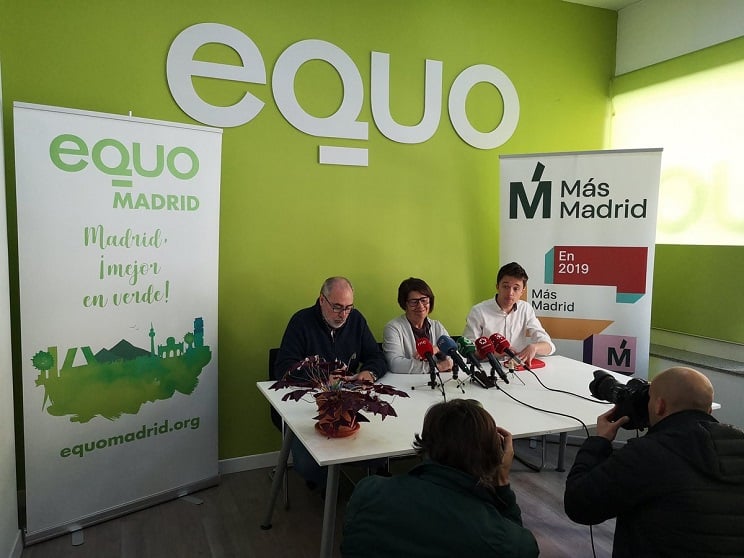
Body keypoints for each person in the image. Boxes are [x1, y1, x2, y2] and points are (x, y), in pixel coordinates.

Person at [564, 366, 744, 557]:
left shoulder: (647, 453)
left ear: (659, 406)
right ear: (709, 410)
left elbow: (579, 504)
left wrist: (599, 443)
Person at [341, 398, 539, 557]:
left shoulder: (367, 492)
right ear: (495, 454)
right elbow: (523, 550)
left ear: (426, 444)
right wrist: (501, 482)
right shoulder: (504, 539)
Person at [274, 276, 387, 489]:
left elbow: (377, 356)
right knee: (309, 465)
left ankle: (363, 486)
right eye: (337, 307)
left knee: (378, 451)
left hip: (348, 401)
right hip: (307, 404)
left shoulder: (356, 321)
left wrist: (369, 372)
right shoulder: (301, 322)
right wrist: (323, 378)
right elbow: (284, 368)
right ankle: (328, 488)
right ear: (321, 300)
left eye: (348, 308)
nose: (343, 314)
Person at [463, 262, 554, 366]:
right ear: (497, 287)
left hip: (518, 368)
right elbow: (468, 352)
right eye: (506, 286)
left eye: (516, 288)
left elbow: (549, 346)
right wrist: (497, 353)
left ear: (522, 291)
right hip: (489, 368)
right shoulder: (478, 311)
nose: (510, 293)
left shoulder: (525, 309)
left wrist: (534, 347)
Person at [382, 277, 453, 374]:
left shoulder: (437, 326)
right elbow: (395, 364)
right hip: (407, 382)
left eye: (424, 300)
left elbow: (454, 359)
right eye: (414, 302)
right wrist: (436, 367)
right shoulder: (393, 328)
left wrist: (438, 350)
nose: (420, 306)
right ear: (404, 304)